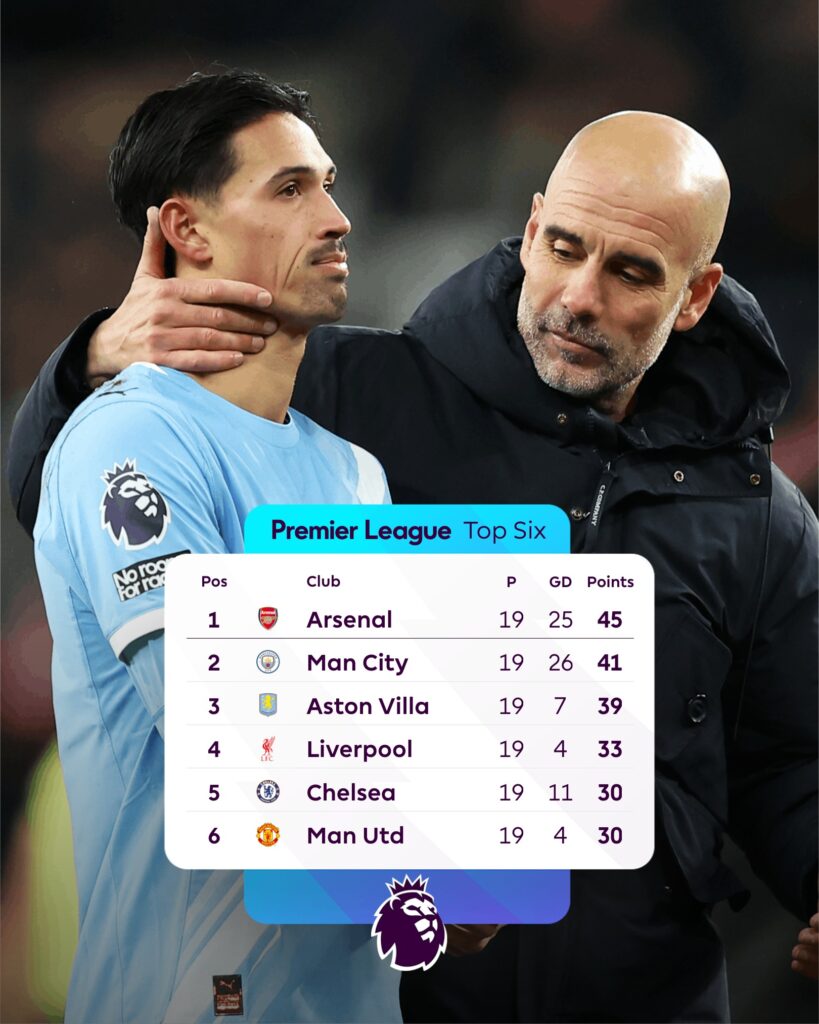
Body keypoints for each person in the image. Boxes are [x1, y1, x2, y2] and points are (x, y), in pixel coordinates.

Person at [9, 110, 818, 1021]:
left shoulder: (757, 513)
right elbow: (66, 494)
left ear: (697, 293)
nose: (579, 296)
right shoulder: (345, 398)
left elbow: (790, 759)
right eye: (562, 247)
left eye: (631, 272)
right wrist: (89, 362)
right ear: (532, 226)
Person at [23, 69, 402, 1024]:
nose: (336, 219)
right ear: (186, 230)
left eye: (327, 185)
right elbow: (226, 726)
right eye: (289, 189)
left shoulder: (357, 473)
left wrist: (456, 876)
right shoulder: (129, 442)